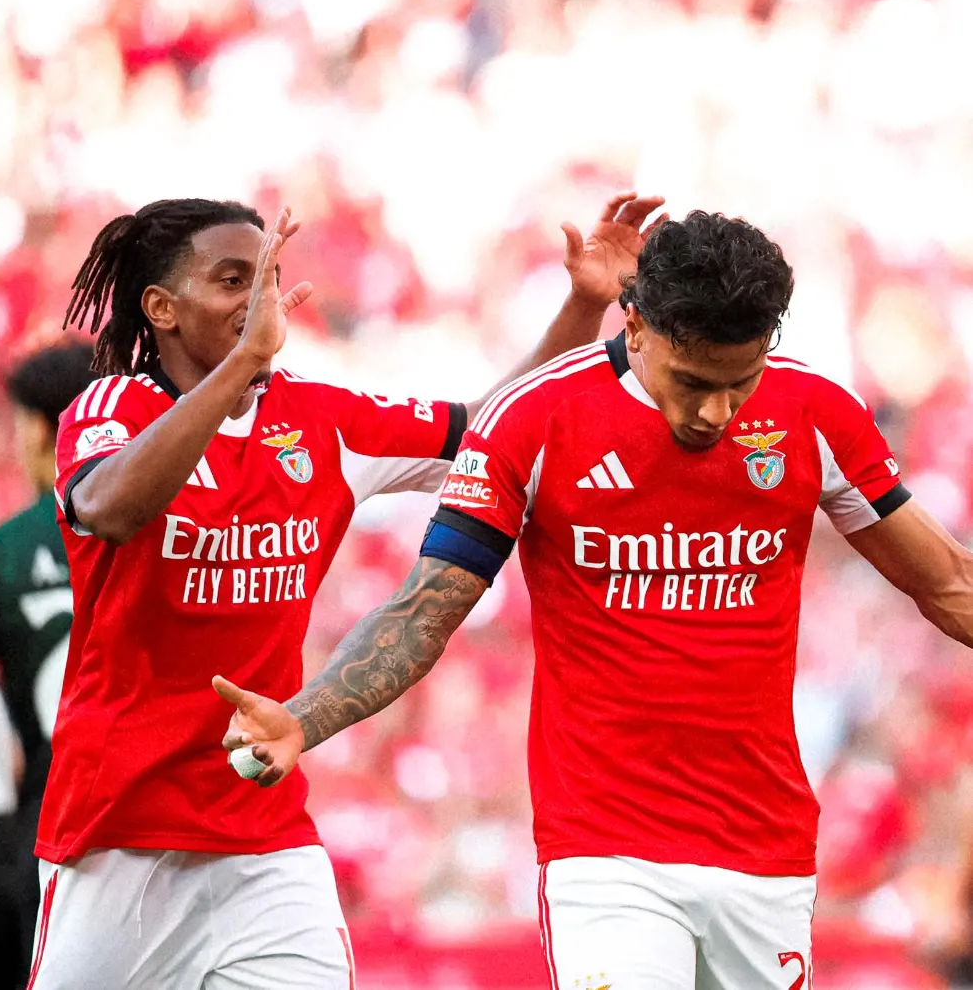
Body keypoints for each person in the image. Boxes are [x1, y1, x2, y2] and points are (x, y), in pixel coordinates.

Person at [215, 210, 973, 990]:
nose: (716, 412)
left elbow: (946, 582)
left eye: (738, 384)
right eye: (694, 382)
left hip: (764, 848)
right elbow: (423, 612)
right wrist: (307, 718)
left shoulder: (816, 413)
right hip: (606, 853)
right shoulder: (535, 419)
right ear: (636, 326)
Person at [29, 192, 666, 989]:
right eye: (234, 280)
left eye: (268, 279)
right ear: (160, 307)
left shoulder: (321, 420)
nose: (260, 300)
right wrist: (234, 372)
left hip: (264, 838)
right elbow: (109, 508)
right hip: (121, 834)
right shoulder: (112, 408)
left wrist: (585, 304)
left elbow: (493, 428)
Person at [0, 342, 97, 989]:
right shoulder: (165, 529)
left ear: (39, 429)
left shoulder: (1, 552)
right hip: (158, 821)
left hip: (51, 831)